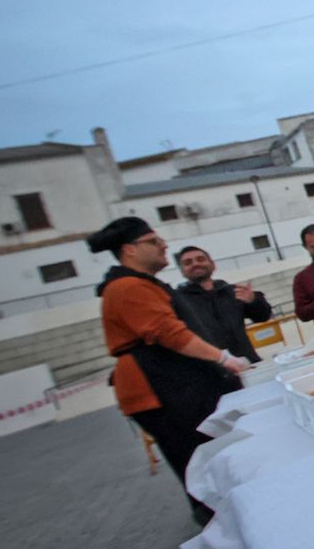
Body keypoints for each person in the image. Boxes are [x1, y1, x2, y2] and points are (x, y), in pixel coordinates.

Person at [88, 217, 250, 525]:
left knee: (206, 451)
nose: (163, 245)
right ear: (129, 250)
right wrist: (223, 358)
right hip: (160, 390)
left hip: (179, 384)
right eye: (153, 241)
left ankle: (228, 510)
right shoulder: (126, 287)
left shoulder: (142, 284)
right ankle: (217, 519)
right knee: (193, 457)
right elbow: (167, 332)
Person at [173, 245, 272, 364]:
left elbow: (263, 316)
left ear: (213, 265)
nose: (195, 264)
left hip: (248, 363)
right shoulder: (177, 301)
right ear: (182, 271)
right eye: (188, 262)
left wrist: (253, 301)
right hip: (211, 371)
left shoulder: (232, 292)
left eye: (200, 259)